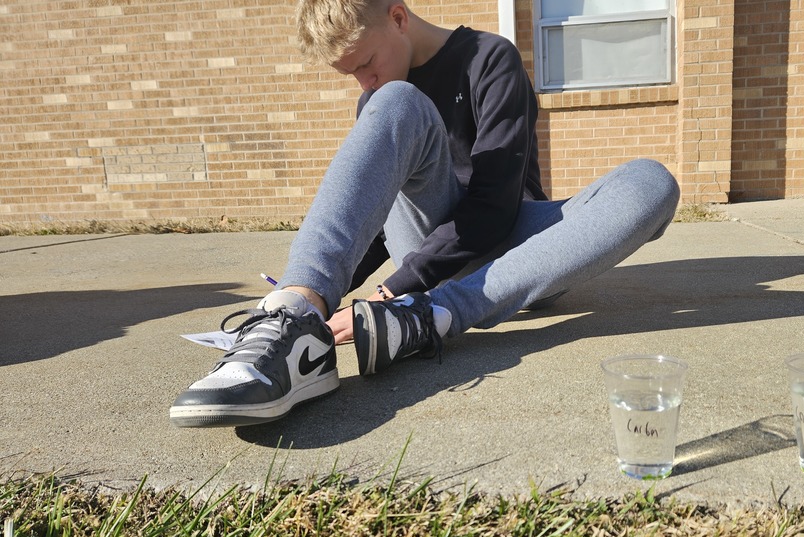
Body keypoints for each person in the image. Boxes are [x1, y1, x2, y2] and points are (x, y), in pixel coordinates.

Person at [168, 0, 681, 428]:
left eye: (366, 62)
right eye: (350, 75)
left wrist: (399, 288)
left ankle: (428, 315)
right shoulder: (383, 101)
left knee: (650, 182)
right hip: (431, 246)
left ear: (397, 17)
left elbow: (494, 204)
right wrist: (327, 293)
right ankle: (294, 318)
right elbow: (377, 218)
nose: (363, 82)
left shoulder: (489, 57)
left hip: (522, 248)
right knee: (393, 102)